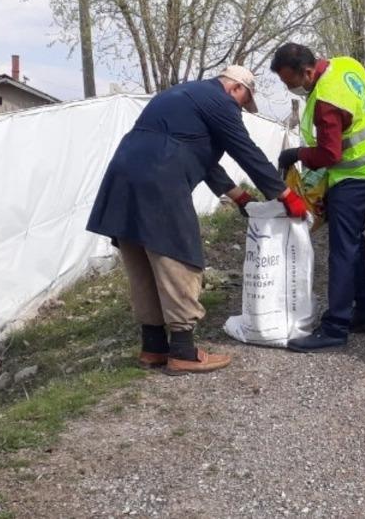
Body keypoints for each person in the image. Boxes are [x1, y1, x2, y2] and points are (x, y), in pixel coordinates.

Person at [87, 66, 308, 374]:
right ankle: (182, 351)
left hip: (123, 174)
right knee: (178, 256)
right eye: (244, 103)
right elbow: (246, 151)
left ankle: (153, 348)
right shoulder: (220, 102)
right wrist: (285, 194)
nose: (241, 110)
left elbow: (203, 160)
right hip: (160, 178)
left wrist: (239, 197)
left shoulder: (182, 95)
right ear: (235, 89)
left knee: (141, 259)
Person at [270, 43, 365, 352]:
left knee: (341, 248)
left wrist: (295, 153)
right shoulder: (346, 64)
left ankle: (335, 327)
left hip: (357, 176)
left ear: (308, 72)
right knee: (352, 237)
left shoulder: (326, 99)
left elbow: (329, 153)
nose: (290, 89)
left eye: (291, 83)